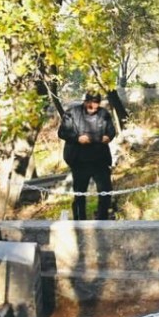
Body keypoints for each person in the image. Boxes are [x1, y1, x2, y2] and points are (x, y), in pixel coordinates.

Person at [58, 91, 116, 220]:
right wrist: (77, 138)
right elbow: (62, 132)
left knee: (106, 191)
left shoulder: (104, 114)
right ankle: (80, 220)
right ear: (85, 102)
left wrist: (109, 136)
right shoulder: (72, 114)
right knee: (79, 193)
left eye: (96, 105)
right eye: (91, 106)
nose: (93, 109)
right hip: (79, 161)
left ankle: (102, 218)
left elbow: (111, 131)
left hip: (100, 160)